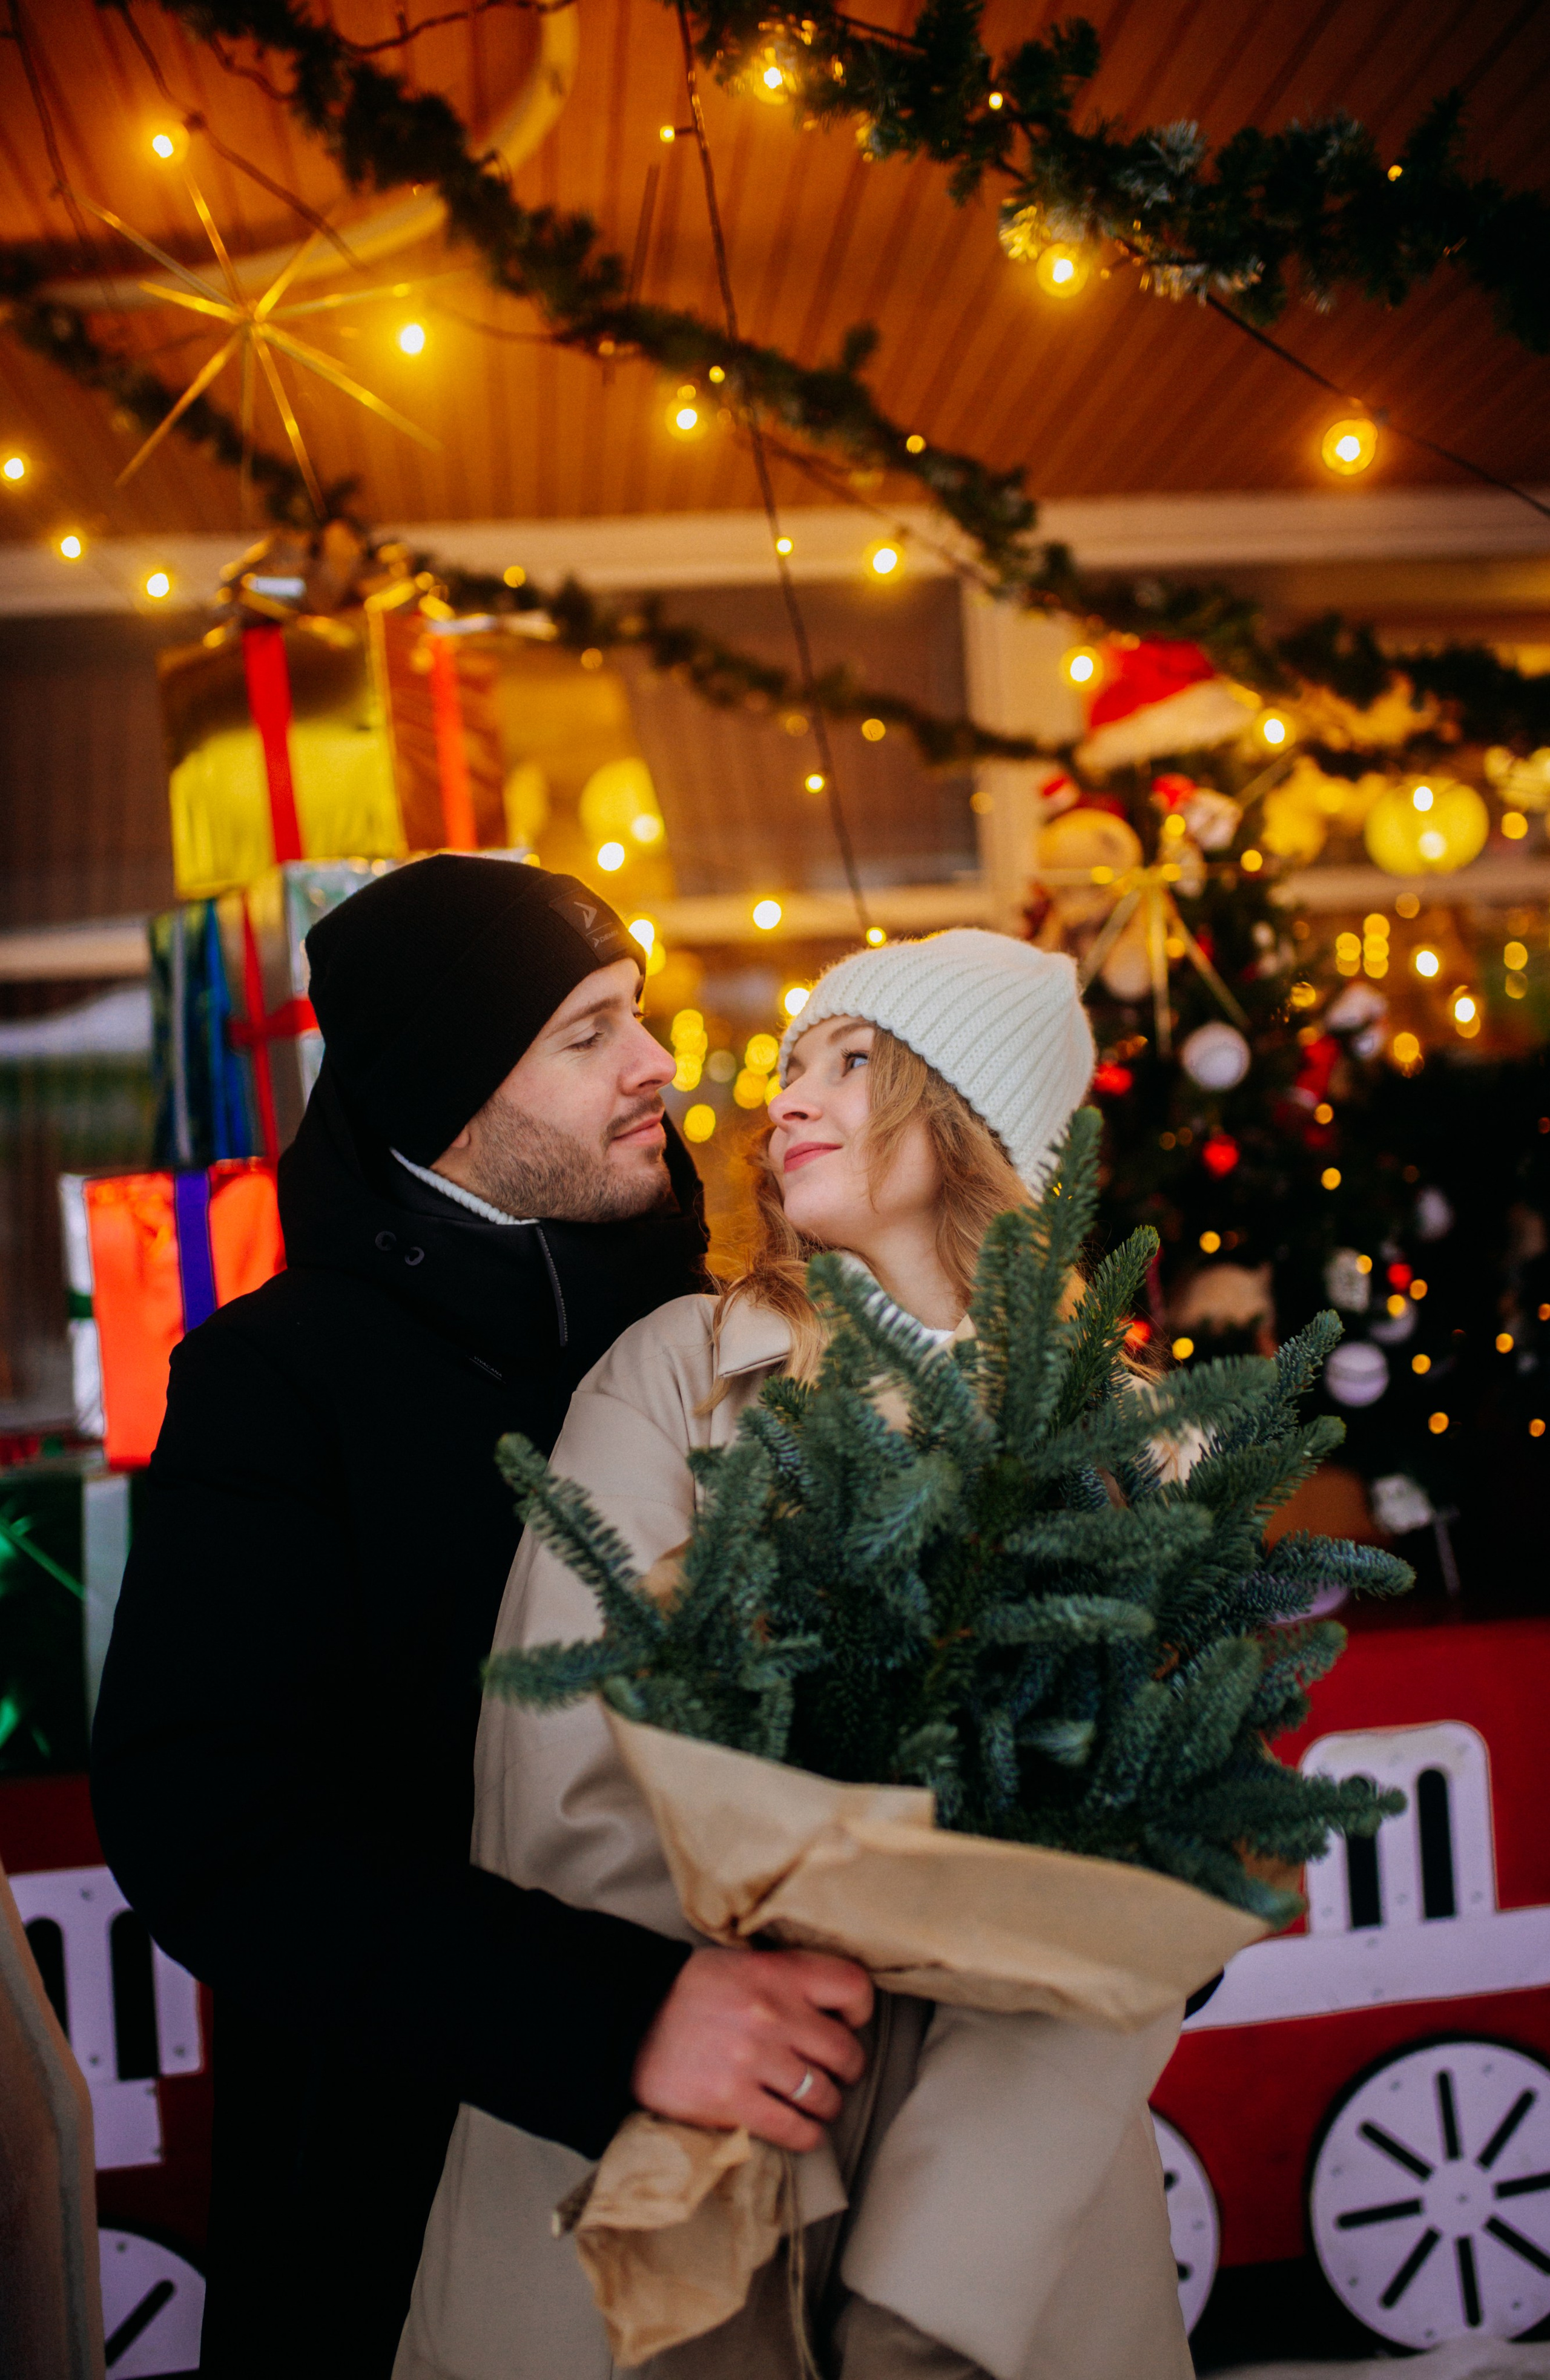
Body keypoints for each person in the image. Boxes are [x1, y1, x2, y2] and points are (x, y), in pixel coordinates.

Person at [90, 856, 872, 2380]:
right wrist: (612, 2020)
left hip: (782, 2176)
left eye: (635, 1012)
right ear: (443, 1094)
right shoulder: (279, 1381)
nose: (654, 1066)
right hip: (398, 2194)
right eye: (585, 1033)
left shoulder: (737, 1344)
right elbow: (212, 1823)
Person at [399, 927, 1193, 2380]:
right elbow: (565, 1774)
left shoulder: (1132, 1442)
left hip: (1007, 2211)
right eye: (792, 1059)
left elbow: (1171, 1840)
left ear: (965, 1122)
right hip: (714, 2114)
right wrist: (738, 2011)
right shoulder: (677, 1371)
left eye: (853, 1059)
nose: (787, 1096)